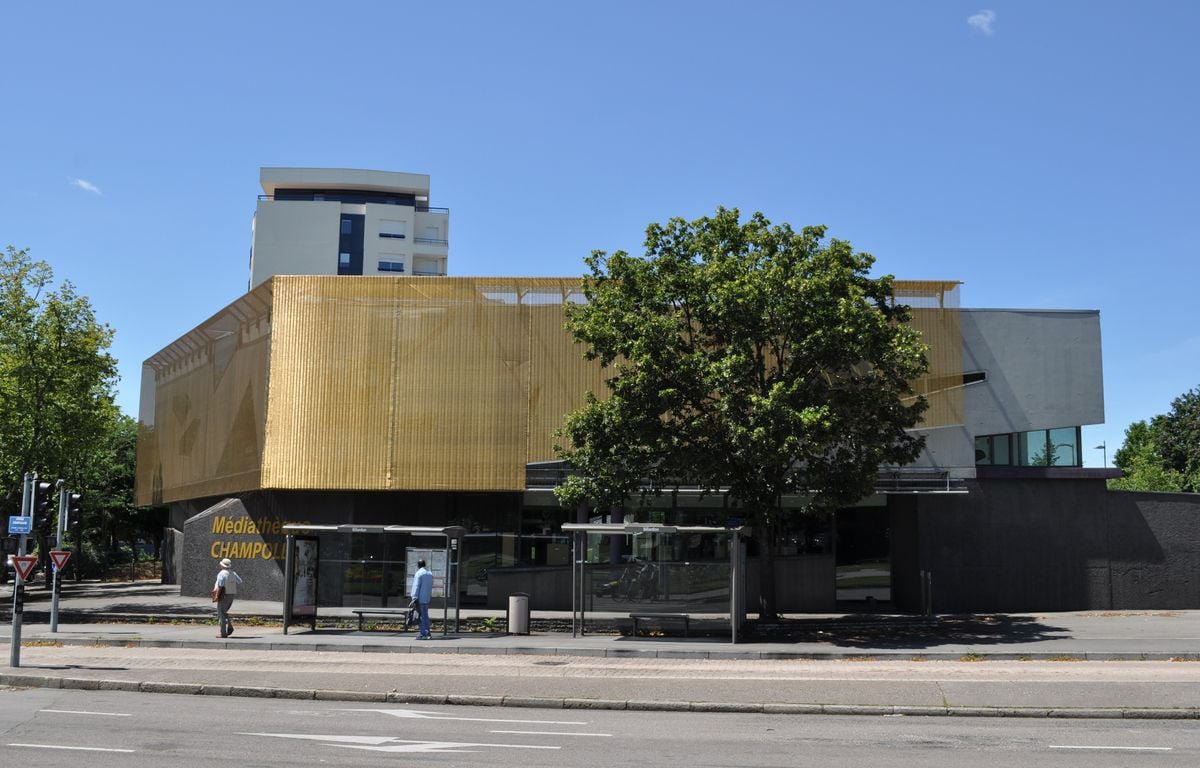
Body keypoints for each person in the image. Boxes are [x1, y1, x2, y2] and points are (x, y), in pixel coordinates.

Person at [213, 557, 243, 638]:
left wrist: (216, 596)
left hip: (223, 594)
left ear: (222, 565)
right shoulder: (233, 573)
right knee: (224, 612)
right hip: (231, 594)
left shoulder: (221, 573)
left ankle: (223, 633)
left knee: (221, 613)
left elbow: (220, 586)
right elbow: (240, 581)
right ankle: (229, 627)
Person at [411, 558, 433, 639]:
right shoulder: (429, 574)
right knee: (425, 616)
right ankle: (428, 632)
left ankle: (424, 633)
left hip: (420, 599)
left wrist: (414, 597)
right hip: (426, 598)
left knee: (420, 616)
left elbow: (416, 586)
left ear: (418, 565)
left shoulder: (419, 574)